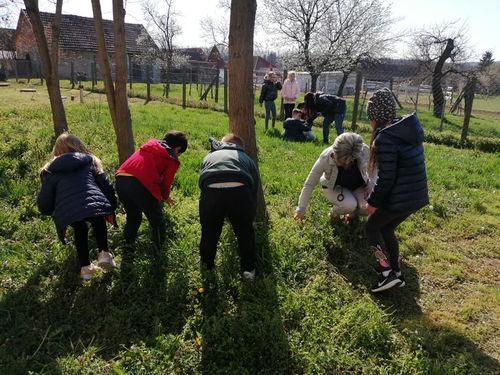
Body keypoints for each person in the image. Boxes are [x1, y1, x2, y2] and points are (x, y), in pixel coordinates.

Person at [364, 88, 429, 293]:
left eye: (369, 118)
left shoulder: (385, 139)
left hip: (402, 198)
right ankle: (396, 272)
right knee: (386, 228)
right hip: (416, 196)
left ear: (375, 117)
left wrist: (373, 203)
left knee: (371, 228)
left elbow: (387, 178)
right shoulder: (404, 129)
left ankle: (386, 274)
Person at [37, 133, 117, 280]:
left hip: (68, 209)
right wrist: (111, 204)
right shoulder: (89, 162)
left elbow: (45, 200)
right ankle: (104, 254)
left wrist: (48, 210)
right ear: (78, 145)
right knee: (98, 221)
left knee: (80, 229)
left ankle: (86, 268)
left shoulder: (50, 170)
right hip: (92, 201)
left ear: (57, 150)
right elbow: (105, 185)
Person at [198, 134, 260, 280]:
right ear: (240, 147)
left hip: (211, 191)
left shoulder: (209, 156)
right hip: (240, 191)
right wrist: (251, 211)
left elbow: (201, 182)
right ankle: (248, 270)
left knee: (209, 233)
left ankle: (207, 268)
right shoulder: (246, 159)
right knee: (245, 233)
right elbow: (254, 188)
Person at [115, 131, 188, 248]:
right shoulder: (171, 158)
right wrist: (165, 196)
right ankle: (159, 251)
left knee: (133, 216)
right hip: (141, 185)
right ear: (178, 149)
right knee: (157, 221)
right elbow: (166, 183)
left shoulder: (149, 146)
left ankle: (129, 245)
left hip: (121, 180)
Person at [294, 132, 375, 221]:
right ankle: (334, 212)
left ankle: (352, 214)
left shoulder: (364, 151)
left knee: (369, 207)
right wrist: (301, 209)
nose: (344, 164)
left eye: (346, 162)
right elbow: (309, 184)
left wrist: (370, 185)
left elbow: (374, 169)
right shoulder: (325, 157)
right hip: (335, 188)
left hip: (359, 187)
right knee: (349, 205)